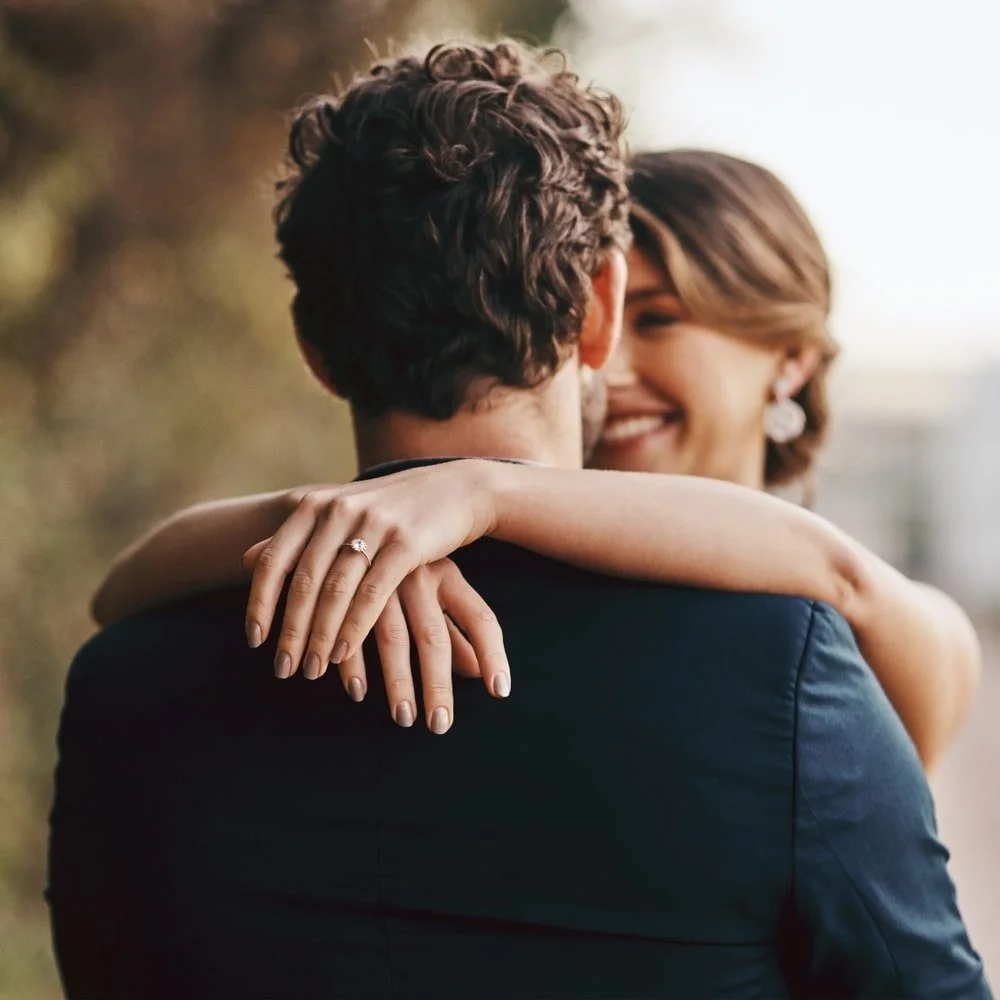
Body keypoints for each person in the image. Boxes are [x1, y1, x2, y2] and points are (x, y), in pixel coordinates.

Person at [49, 40, 990, 999]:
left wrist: (480, 492)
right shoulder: (783, 669)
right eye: (638, 317)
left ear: (313, 346)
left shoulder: (127, 682)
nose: (628, 379)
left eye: (673, 321)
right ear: (598, 313)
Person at [93, 152, 980, 773]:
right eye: (596, 319)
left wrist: (485, 488)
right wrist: (352, 520)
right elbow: (119, 592)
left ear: (791, 357)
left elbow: (855, 589)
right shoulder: (484, 563)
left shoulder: (860, 611)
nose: (608, 366)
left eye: (660, 321)